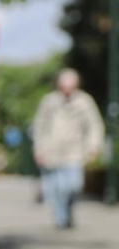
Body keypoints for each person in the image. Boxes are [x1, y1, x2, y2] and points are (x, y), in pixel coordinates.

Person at [32, 69, 105, 229]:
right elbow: (40, 127)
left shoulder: (85, 101)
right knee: (57, 188)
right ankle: (61, 219)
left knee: (73, 185)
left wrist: (93, 146)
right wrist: (39, 149)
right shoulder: (49, 101)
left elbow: (94, 125)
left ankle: (67, 210)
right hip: (52, 152)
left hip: (74, 151)